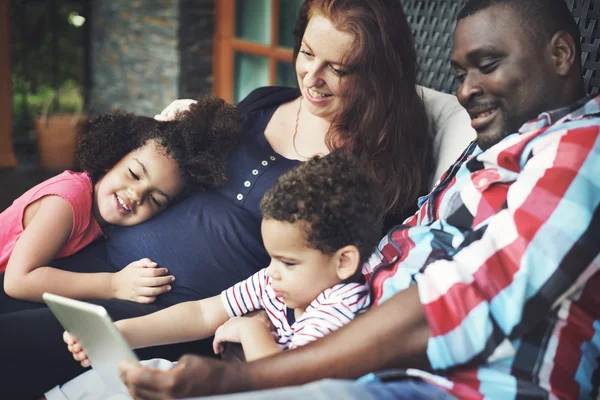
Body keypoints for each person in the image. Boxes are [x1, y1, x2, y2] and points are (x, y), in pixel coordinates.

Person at [105, 0, 599, 399]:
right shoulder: (485, 153)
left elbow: (452, 307)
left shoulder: (583, 148)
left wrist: (250, 374)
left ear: (560, 54)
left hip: (446, 386)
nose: (467, 90)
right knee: (104, 384)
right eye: (460, 74)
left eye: (487, 66)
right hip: (341, 359)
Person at [0, 1, 449, 397]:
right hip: (99, 258)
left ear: (376, 74)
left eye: (339, 68)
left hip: (170, 312)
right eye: (308, 53)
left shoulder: (369, 172)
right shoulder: (266, 102)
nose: (312, 78)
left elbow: (334, 280)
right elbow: (174, 157)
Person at [50, 154, 382, 399]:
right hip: (235, 384)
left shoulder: (341, 308)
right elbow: (203, 312)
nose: (273, 274)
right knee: (123, 379)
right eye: (272, 259)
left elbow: (289, 387)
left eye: (289, 263)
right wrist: (117, 334)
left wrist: (250, 330)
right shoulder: (277, 282)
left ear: (343, 262)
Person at [0, 95, 239, 308]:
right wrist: (113, 285)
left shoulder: (102, 216)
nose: (136, 195)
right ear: (112, 159)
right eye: (134, 174)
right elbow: (18, 280)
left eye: (155, 199)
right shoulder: (67, 201)